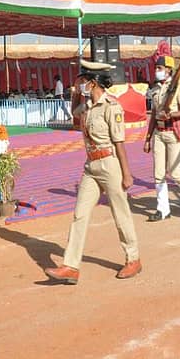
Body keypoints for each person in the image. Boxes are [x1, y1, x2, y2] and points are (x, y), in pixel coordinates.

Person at [44, 60, 141, 284]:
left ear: (95, 82)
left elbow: (119, 143)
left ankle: (133, 259)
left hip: (110, 164)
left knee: (120, 213)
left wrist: (127, 173)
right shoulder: (87, 106)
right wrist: (76, 92)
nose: (83, 85)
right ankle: (71, 266)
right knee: (80, 214)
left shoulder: (111, 107)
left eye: (85, 81)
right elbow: (74, 113)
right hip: (91, 166)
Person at [143, 51, 180, 221]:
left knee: (175, 173)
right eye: (156, 68)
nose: (157, 71)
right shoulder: (154, 89)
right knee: (158, 173)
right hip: (159, 134)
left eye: (160, 68)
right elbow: (153, 115)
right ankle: (163, 210)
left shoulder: (177, 89)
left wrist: (171, 114)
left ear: (168, 70)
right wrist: (147, 138)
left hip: (174, 133)